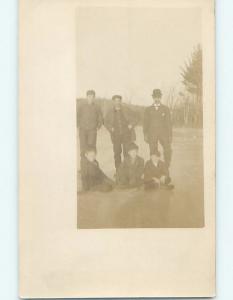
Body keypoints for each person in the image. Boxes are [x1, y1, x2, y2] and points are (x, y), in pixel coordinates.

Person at [104, 95, 139, 170]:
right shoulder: (110, 112)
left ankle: (127, 171)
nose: (117, 102)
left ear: (120, 101)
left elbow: (136, 117)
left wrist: (131, 125)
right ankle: (118, 171)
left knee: (126, 153)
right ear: (113, 102)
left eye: (118, 101)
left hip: (126, 135)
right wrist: (111, 128)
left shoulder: (126, 109)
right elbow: (105, 122)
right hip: (116, 136)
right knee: (117, 153)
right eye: (115, 101)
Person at [143, 89, 172, 167]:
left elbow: (169, 123)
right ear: (153, 98)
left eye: (158, 97)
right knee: (153, 151)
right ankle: (154, 167)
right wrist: (145, 134)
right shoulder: (148, 109)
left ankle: (166, 166)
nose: (157, 99)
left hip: (164, 134)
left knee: (167, 149)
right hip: (152, 134)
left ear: (160, 98)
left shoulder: (165, 109)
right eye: (155, 97)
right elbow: (145, 123)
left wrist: (170, 135)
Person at [77, 90, 103, 157]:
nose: (90, 98)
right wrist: (78, 125)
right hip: (83, 130)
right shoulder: (81, 106)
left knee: (91, 147)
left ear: (94, 98)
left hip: (92, 130)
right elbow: (77, 116)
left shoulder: (97, 107)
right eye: (89, 96)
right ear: (86, 97)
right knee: (83, 147)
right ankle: (83, 164)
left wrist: (98, 126)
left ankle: (91, 163)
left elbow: (100, 118)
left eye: (92, 96)